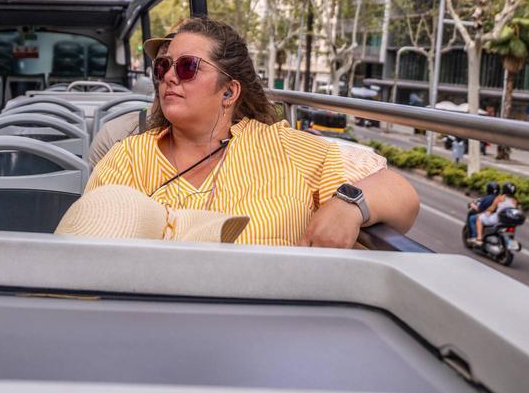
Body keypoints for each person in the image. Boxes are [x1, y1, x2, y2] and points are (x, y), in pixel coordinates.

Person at [84, 17, 419, 247]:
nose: (169, 76)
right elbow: (87, 249)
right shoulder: (127, 158)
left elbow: (400, 195)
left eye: (187, 67)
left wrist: (349, 204)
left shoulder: (284, 148)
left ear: (229, 92)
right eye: (163, 66)